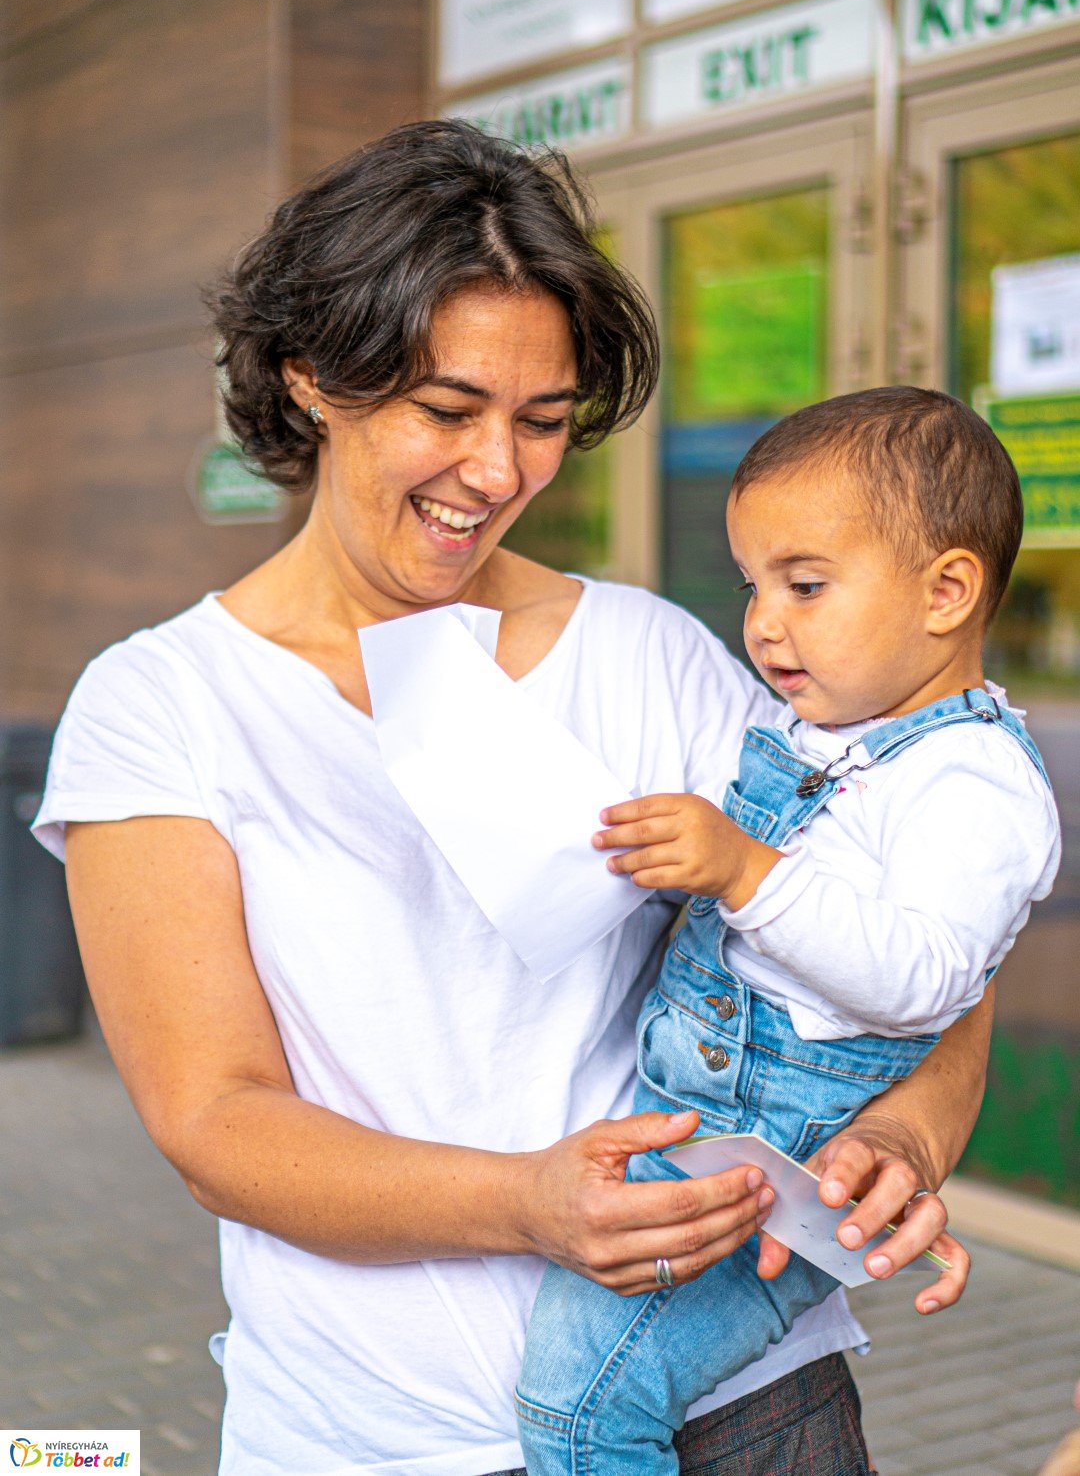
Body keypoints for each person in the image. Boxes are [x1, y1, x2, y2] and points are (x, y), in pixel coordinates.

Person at [33, 121, 984, 1476]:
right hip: (377, 1431)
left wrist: (906, 1126)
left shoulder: (648, 652)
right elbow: (217, 1116)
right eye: (447, 409)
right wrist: (525, 1203)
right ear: (312, 376)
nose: (497, 473)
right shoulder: (167, 703)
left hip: (740, 1397)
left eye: (542, 423)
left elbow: (920, 923)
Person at [515, 388, 1061, 1475]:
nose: (763, 621)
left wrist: (745, 869)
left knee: (579, 1409)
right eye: (754, 584)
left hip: (772, 1161)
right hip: (702, 1124)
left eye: (805, 584)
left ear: (948, 590)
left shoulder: (977, 778)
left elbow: (925, 975)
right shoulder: (821, 730)